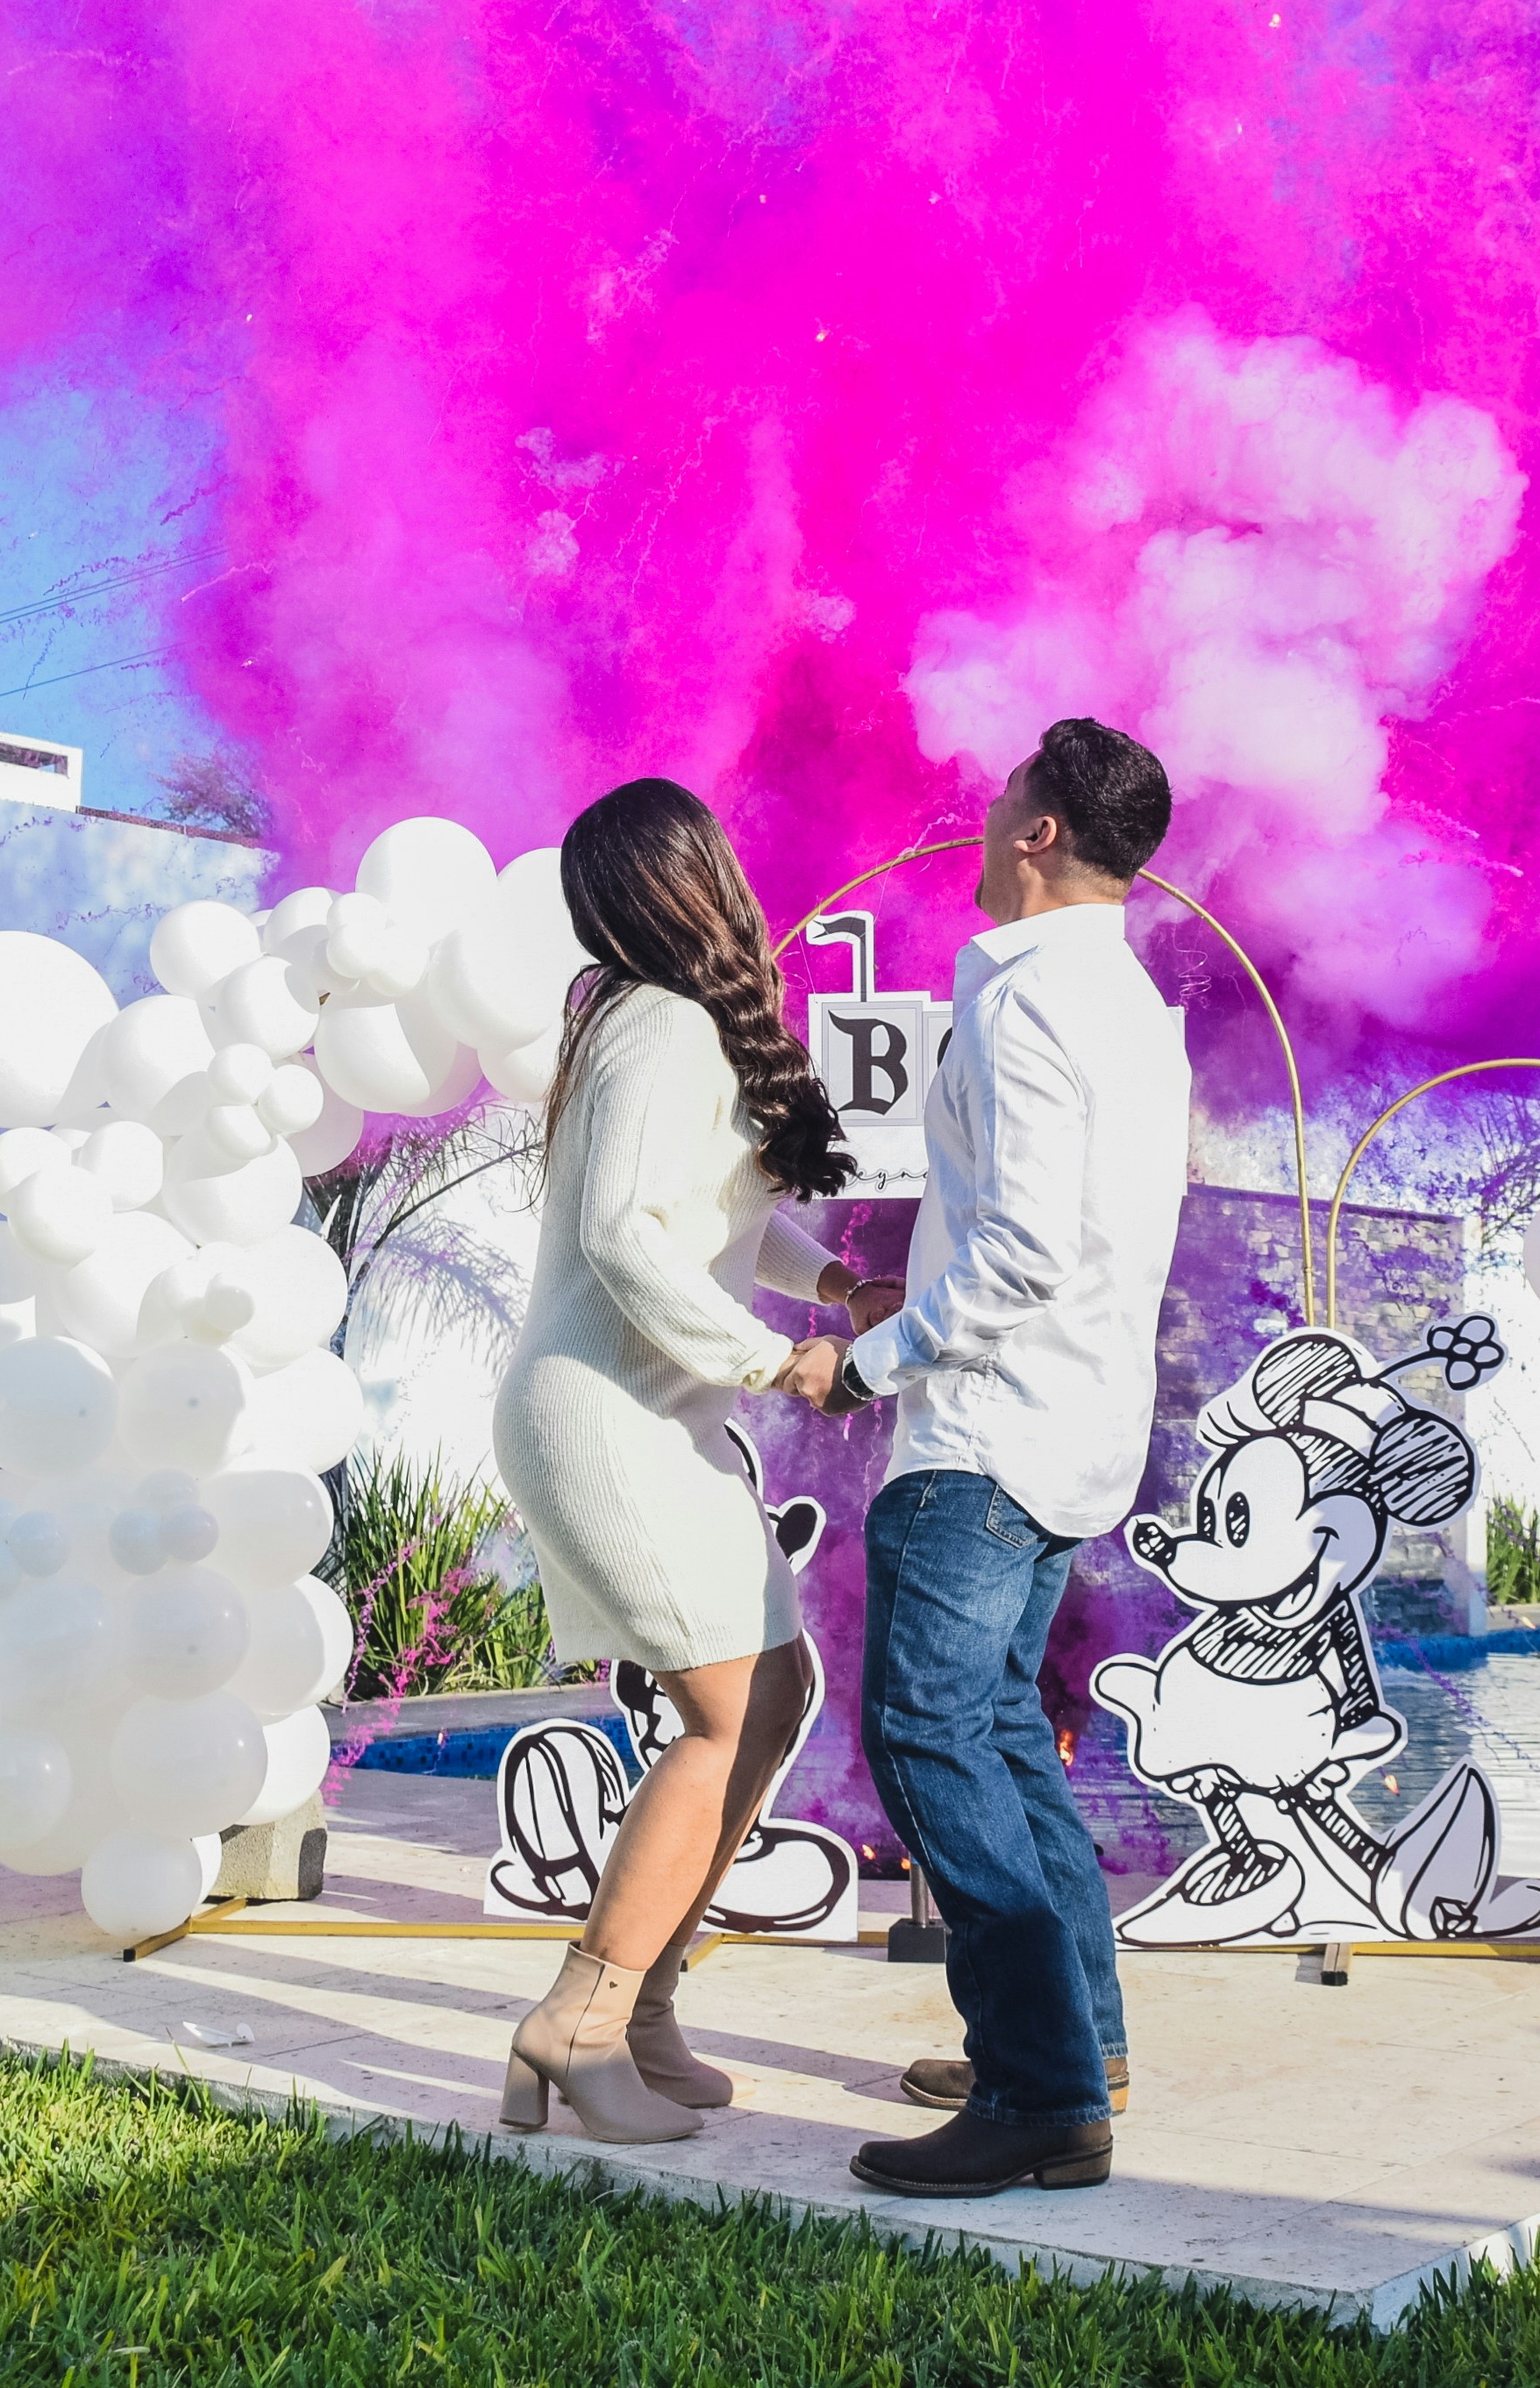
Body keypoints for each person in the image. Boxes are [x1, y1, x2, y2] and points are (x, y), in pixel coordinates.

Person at [487, 777, 892, 2143]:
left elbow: (709, 1217)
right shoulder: (657, 1024)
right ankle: (578, 2023)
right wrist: (785, 1360)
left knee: (770, 1699)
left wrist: (831, 1283)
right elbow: (620, 1232)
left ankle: (644, 2003)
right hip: (603, 1413)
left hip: (659, 1414)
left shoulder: (670, 1027)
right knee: (720, 1721)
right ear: (697, 874)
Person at [831, 716, 1189, 2199]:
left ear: (1041, 832)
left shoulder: (1028, 1000)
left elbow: (1025, 1246)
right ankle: (1075, 2044)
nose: (980, 820)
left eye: (1002, 802)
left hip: (987, 1430)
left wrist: (872, 1360)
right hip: (1072, 1424)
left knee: (925, 1735)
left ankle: (1040, 2091)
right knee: (982, 1727)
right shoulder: (1129, 1003)